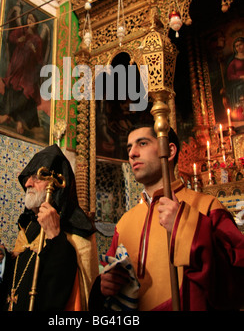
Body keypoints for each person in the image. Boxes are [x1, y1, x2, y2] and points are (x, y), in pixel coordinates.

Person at [89, 120, 244, 311]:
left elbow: (236, 283)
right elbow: (112, 290)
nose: (132, 153)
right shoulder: (124, 223)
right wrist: (104, 287)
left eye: (142, 143)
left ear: (169, 151)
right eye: (129, 147)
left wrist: (187, 227)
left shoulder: (207, 207)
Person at [0, 144, 98, 311]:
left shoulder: (76, 231)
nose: (27, 183)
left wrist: (55, 237)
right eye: (27, 177)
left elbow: (77, 295)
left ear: (56, 184)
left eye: (37, 177)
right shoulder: (27, 230)